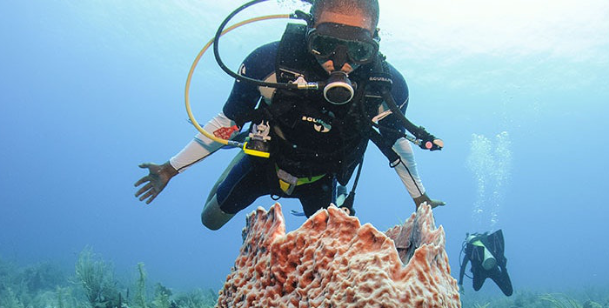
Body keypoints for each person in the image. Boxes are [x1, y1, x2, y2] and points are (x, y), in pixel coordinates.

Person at [135, 0, 444, 230]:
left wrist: (420, 198)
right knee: (210, 221)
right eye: (324, 45)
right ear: (309, 28)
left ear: (374, 41)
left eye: (358, 51)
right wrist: (169, 169)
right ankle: (238, 158)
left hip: (322, 179)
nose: (340, 64)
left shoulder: (386, 88)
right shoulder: (268, 63)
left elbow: (396, 144)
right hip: (264, 161)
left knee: (331, 252)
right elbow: (228, 123)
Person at [459, 230, 513, 296]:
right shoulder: (486, 241)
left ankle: (476, 270)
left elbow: (463, 267)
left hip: (481, 271)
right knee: (508, 292)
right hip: (493, 267)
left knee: (476, 287)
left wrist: (460, 283)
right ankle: (503, 268)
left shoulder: (470, 250)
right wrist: (503, 267)